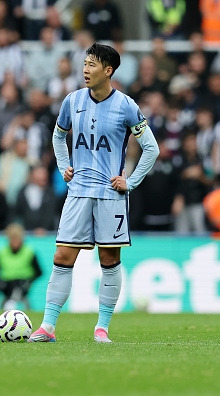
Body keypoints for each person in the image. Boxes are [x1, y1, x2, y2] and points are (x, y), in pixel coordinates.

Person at [28, 43, 159, 344]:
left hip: (111, 196)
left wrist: (132, 181)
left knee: (109, 259)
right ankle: (47, 326)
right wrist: (64, 165)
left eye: (91, 65)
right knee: (62, 255)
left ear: (108, 70)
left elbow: (152, 148)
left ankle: (102, 328)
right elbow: (58, 136)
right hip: (78, 193)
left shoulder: (126, 105)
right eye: (84, 63)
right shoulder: (72, 101)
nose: (85, 70)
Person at [0, 223, 42, 311]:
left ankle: (11, 302)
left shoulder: (29, 251)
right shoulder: (1, 251)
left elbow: (39, 272)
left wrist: (30, 281)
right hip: (6, 282)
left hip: (21, 282)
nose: (14, 242)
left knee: (18, 286)